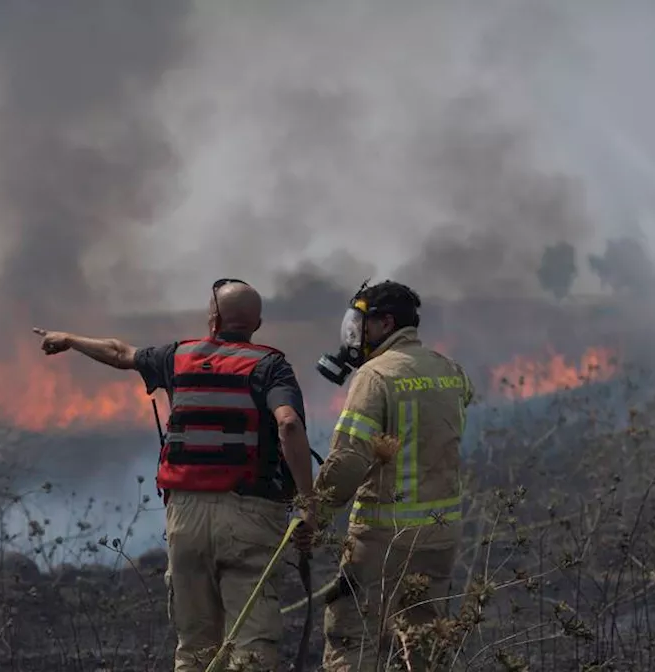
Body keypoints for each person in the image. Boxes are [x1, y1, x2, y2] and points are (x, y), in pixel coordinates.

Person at [33, 278, 318, 672]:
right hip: (249, 514)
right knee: (251, 647)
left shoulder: (177, 357)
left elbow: (120, 352)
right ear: (257, 323)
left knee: (195, 648)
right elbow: (288, 425)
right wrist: (308, 502)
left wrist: (69, 338)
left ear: (213, 319)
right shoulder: (270, 367)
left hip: (185, 518)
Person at [307, 280, 474, 671]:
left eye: (361, 324)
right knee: (425, 643)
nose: (355, 334)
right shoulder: (450, 370)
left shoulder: (375, 376)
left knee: (353, 637)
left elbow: (349, 459)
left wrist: (314, 514)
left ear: (384, 324)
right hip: (440, 535)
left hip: (384, 537)